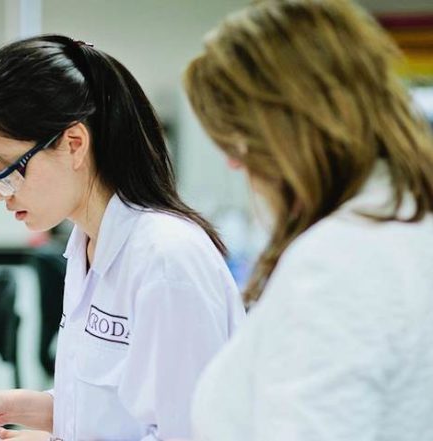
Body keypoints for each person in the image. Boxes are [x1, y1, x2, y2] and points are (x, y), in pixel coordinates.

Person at [0, 34, 245, 440]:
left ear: (74, 144)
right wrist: (11, 409)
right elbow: (109, 409)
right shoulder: (86, 247)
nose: (2, 193)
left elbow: (189, 433)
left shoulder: (166, 260)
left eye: (7, 170)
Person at [183, 1, 433, 440]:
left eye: (238, 140)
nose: (235, 165)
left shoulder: (340, 259)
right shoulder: (408, 223)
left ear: (285, 129)